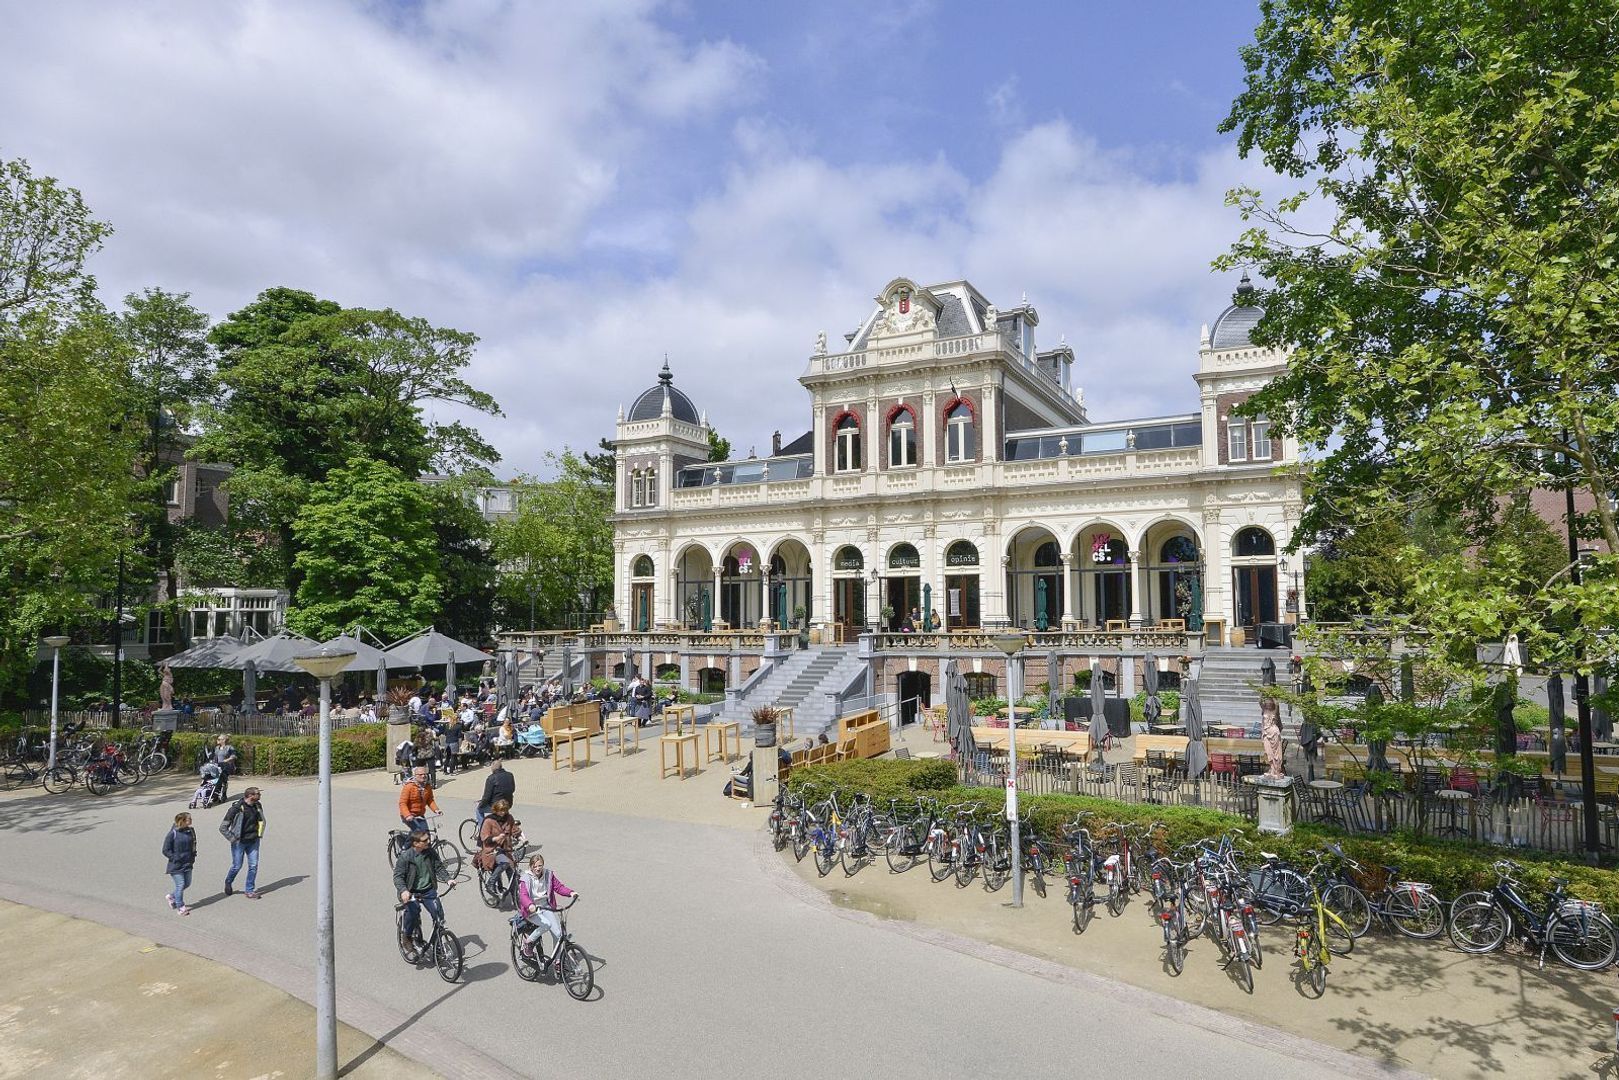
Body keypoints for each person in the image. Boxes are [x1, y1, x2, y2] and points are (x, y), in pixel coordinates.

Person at [393, 830, 446, 960]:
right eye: (425, 840)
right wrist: (404, 890)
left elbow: (439, 867)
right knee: (413, 911)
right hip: (411, 891)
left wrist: (448, 879)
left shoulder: (431, 852)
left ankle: (437, 944)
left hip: (428, 890)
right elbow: (398, 877)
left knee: (438, 915)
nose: (429, 842)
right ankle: (407, 936)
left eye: (428, 839)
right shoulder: (405, 857)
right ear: (416, 843)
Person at [516, 852, 576, 964]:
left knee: (558, 934)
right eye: (535, 866)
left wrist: (571, 893)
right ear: (531, 867)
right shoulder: (525, 878)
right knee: (546, 925)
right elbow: (523, 895)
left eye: (540, 865)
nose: (538, 868)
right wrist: (530, 905)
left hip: (546, 907)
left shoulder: (548, 875)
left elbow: (559, 887)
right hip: (531, 911)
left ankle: (557, 962)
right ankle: (528, 943)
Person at [221, 787, 265, 899]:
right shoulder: (235, 809)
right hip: (239, 842)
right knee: (237, 866)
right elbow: (223, 827)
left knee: (253, 866)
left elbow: (261, 820)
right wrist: (233, 839)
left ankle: (249, 890)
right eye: (258, 794)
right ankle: (228, 881)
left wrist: (259, 834)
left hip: (253, 840)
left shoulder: (257, 805)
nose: (260, 796)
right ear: (250, 795)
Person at [475, 798, 523, 895]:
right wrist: (496, 838)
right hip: (492, 851)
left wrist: (522, 839)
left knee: (512, 871)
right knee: (505, 863)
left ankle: (515, 894)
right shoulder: (488, 821)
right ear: (496, 810)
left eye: (505, 810)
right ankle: (490, 883)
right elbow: (484, 838)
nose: (503, 813)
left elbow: (514, 830)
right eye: (501, 810)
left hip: (505, 850)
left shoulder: (509, 818)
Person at [163, 811, 197, 915]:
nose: (191, 820)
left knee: (187, 884)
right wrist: (175, 858)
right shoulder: (172, 833)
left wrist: (193, 854)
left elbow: (194, 844)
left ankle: (171, 896)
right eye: (189, 819)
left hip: (188, 862)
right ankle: (180, 906)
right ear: (182, 821)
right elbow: (165, 850)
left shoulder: (191, 831)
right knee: (180, 884)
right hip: (176, 865)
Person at [398, 765, 441, 834]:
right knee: (418, 834)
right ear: (415, 775)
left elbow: (430, 800)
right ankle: (405, 845)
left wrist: (436, 809)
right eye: (420, 774)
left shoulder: (427, 786)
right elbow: (402, 803)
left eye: (425, 774)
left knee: (426, 834)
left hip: (420, 814)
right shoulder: (409, 786)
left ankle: (426, 844)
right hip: (408, 814)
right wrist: (407, 815)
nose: (423, 776)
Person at [477, 759, 516, 826]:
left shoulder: (491, 778)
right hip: (508, 804)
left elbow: (487, 797)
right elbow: (513, 789)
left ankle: (482, 830)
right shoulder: (510, 775)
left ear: (493, 768)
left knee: (479, 810)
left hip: (496, 806)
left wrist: (481, 804)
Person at [213, 736, 238, 800]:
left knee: (223, 779)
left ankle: (223, 794)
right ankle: (216, 794)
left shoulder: (229, 747)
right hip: (218, 766)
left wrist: (227, 760)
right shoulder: (217, 748)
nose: (217, 740)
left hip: (226, 766)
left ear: (223, 740)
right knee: (216, 780)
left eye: (219, 739)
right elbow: (215, 757)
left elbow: (234, 755)